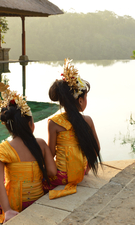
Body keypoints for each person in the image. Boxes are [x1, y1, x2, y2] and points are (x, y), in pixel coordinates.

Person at [0, 83, 57, 224]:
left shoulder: (3, 148)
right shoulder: (41, 143)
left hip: (14, 205)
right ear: (30, 124)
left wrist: (8, 210)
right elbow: (52, 171)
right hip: (36, 199)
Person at [44, 58, 101, 199]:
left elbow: (50, 153)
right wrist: (85, 168)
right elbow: (96, 148)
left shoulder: (54, 123)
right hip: (80, 174)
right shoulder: (87, 120)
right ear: (80, 100)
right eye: (86, 97)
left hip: (61, 176)